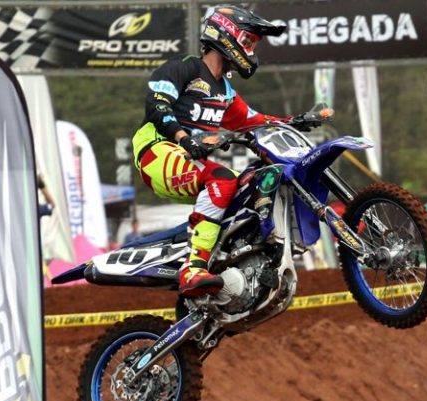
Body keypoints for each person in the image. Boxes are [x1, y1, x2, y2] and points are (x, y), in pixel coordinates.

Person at [132, 5, 308, 299]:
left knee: (249, 184)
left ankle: (226, 262)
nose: (251, 50)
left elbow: (254, 121)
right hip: (156, 152)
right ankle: (193, 268)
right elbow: (157, 106)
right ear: (225, 34)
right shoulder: (184, 68)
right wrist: (184, 138)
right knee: (224, 178)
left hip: (188, 160)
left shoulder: (225, 91)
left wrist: (295, 121)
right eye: (248, 41)